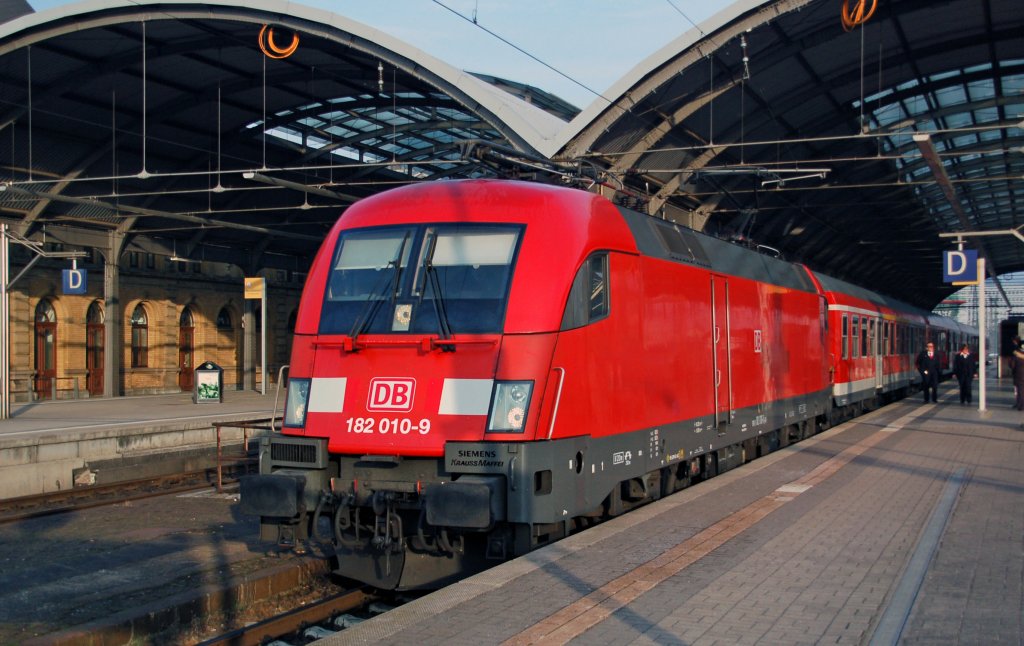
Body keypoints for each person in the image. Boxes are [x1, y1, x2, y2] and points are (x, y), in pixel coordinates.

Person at [1011, 339, 1024, 411]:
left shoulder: (1016, 355)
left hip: (1019, 376)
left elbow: (1012, 365)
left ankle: (1021, 405)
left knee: (1020, 391)